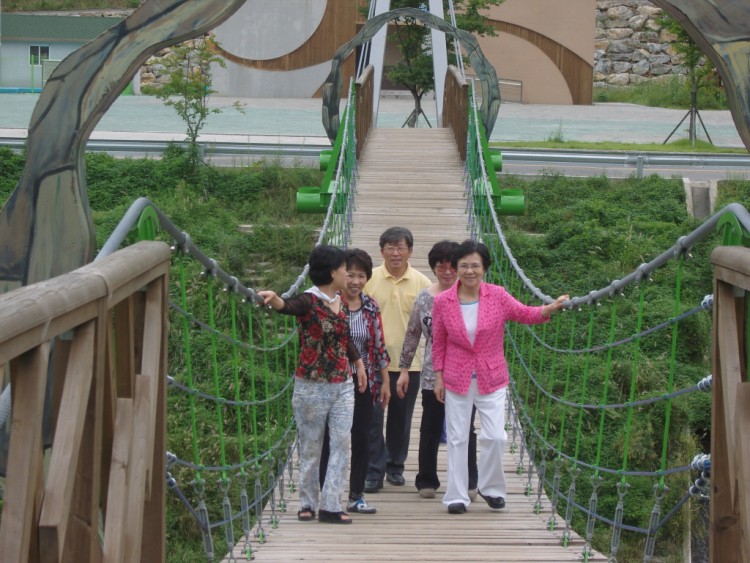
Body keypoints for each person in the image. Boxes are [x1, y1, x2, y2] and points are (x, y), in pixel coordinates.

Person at [432, 239, 568, 515]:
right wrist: (438, 376)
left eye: (475, 265)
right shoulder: (443, 302)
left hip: (491, 376)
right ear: (456, 268)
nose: (469, 271)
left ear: (484, 268)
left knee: (496, 436)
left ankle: (490, 487)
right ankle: (456, 496)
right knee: (457, 438)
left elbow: (524, 314)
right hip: (456, 376)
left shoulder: (498, 295)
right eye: (464, 266)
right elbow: (439, 341)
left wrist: (549, 309)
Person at [258, 245, 367, 525]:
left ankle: (331, 505)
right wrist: (275, 299)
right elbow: (288, 306)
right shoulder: (309, 300)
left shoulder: (341, 301)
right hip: (311, 386)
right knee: (311, 447)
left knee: (341, 443)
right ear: (332, 272)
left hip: (343, 384)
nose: (347, 274)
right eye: (344, 269)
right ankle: (308, 502)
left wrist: (358, 363)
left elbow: (343, 337)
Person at [398, 240, 478, 500]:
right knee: (430, 425)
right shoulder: (425, 297)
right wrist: (404, 368)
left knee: (465, 428)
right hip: (433, 373)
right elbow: (413, 333)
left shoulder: (473, 296)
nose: (447, 271)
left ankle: (469, 481)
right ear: (433, 268)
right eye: (440, 266)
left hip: (465, 373)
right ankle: (427, 479)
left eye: (452, 266)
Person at [319, 249, 391, 514]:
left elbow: (379, 346)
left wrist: (384, 381)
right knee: (331, 438)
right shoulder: (326, 303)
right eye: (350, 275)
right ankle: (328, 494)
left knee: (362, 436)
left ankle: (356, 495)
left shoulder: (371, 306)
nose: (355, 281)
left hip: (364, 382)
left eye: (361, 276)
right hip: (332, 381)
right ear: (338, 275)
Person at [363, 227, 431, 492]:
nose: (395, 253)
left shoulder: (422, 283)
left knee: (401, 419)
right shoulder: (369, 280)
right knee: (372, 419)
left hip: (409, 365)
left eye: (400, 247)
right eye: (390, 247)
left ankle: (395, 466)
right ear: (381, 251)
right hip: (372, 363)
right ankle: (373, 470)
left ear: (410, 251)